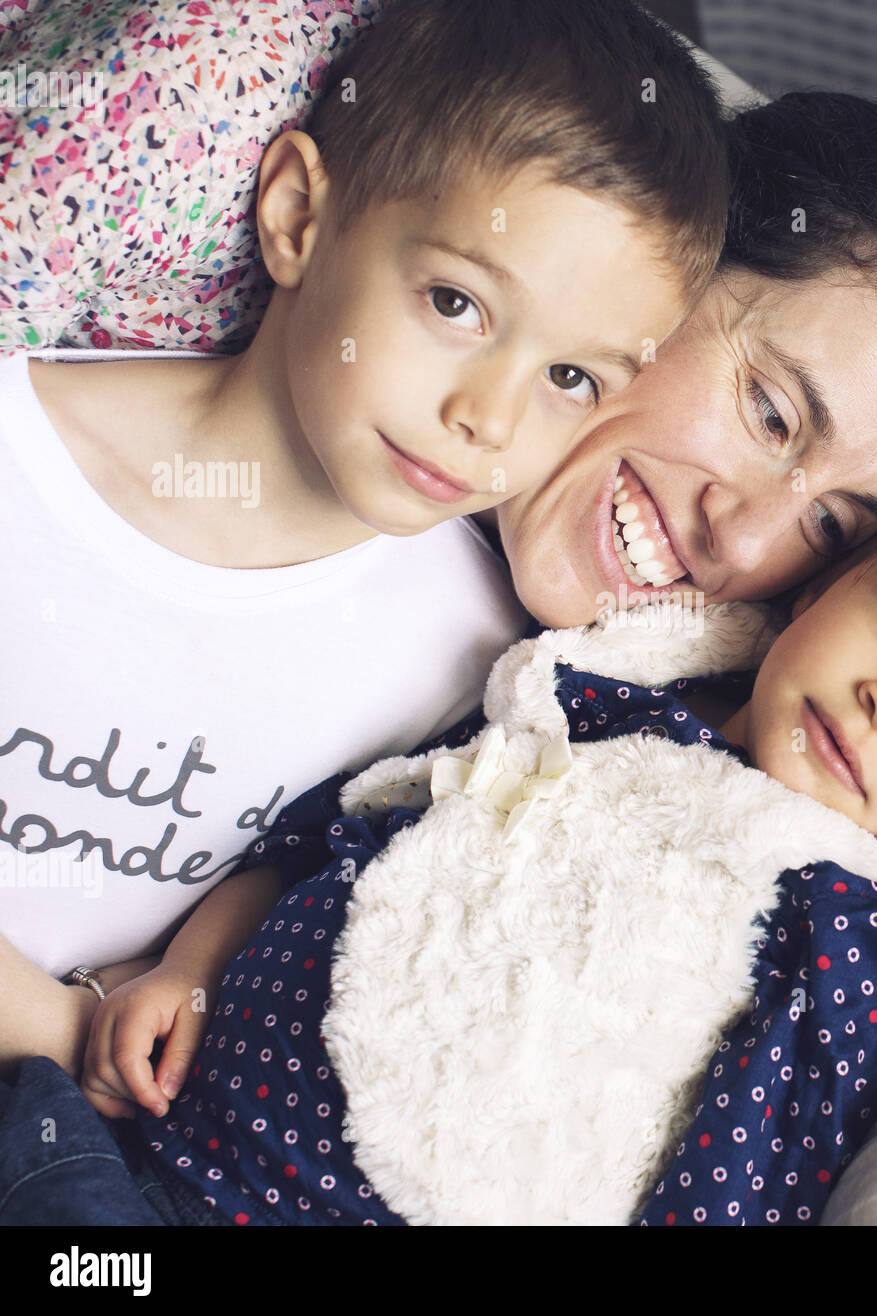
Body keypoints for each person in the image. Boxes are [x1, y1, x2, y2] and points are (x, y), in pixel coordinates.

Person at [4, 460, 877, 1225]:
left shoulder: (850, 929)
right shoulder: (600, 687)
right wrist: (182, 967)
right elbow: (339, 829)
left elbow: (744, 1175)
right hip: (155, 1117)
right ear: (833, 582)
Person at [0, 0, 727, 1073]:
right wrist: (59, 1027)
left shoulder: (471, 656)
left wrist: (171, 981)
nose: (490, 415)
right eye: (456, 302)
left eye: (570, 378)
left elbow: (302, 876)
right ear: (298, 216)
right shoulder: (25, 454)